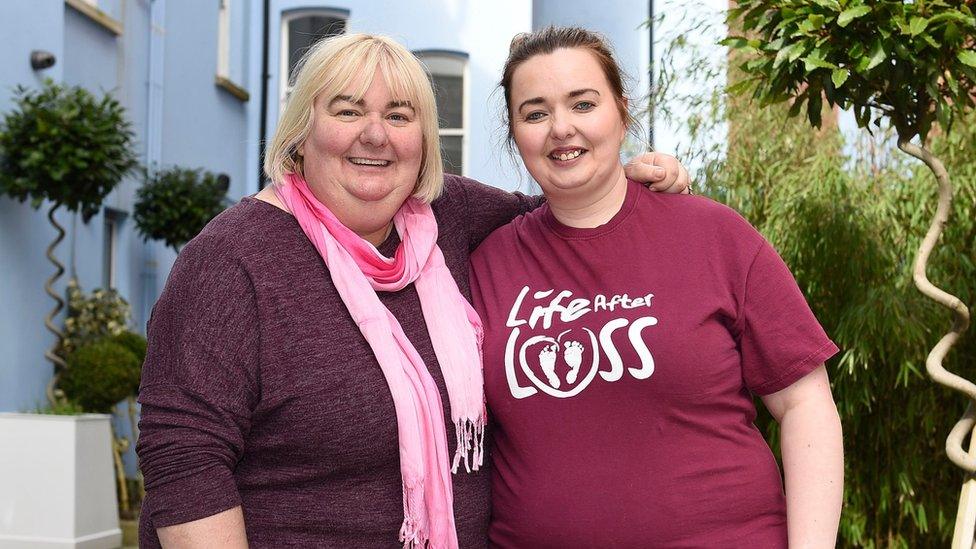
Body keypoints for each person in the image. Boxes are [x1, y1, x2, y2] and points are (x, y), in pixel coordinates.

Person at [135, 33, 688, 548]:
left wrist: (636, 177)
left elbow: (563, 212)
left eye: (398, 116)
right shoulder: (230, 260)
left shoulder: (451, 216)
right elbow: (185, 458)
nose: (374, 135)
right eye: (348, 110)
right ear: (301, 134)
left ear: (423, 142)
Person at [468, 26, 844, 548]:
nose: (561, 128)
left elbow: (805, 405)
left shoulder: (715, 235)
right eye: (535, 113)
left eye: (583, 104)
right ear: (515, 135)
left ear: (622, 114)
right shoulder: (485, 263)